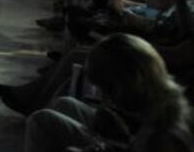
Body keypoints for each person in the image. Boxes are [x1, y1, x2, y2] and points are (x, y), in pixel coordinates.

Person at [23, 34, 193, 152]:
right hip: (128, 136)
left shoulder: (161, 138)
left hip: (127, 140)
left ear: (124, 85)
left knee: (41, 121)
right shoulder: (165, 100)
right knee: (65, 103)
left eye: (107, 90)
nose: (106, 97)